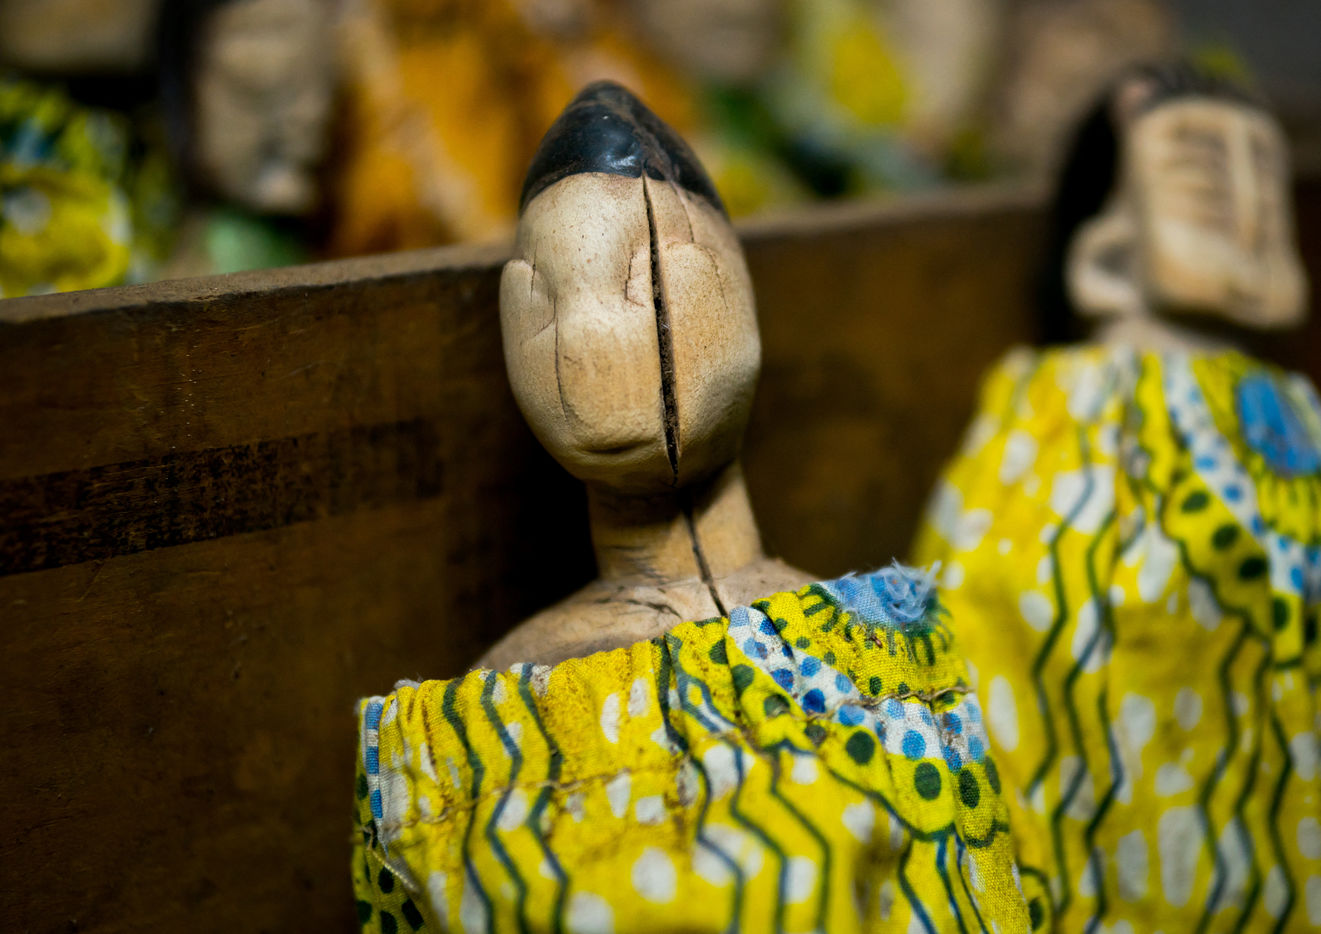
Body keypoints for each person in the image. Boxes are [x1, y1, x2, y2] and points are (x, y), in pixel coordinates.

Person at [351, 82, 1034, 933]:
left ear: (745, 308)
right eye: (538, 303)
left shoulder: (882, 654)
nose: (585, 339)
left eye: (646, 280)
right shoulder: (477, 723)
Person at [912, 62, 1320, 932]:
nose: (1247, 215)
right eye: (1203, 182)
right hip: (1122, 827)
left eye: (1264, 183)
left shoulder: (1293, 408)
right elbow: (1004, 602)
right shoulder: (1069, 412)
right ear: (1101, 254)